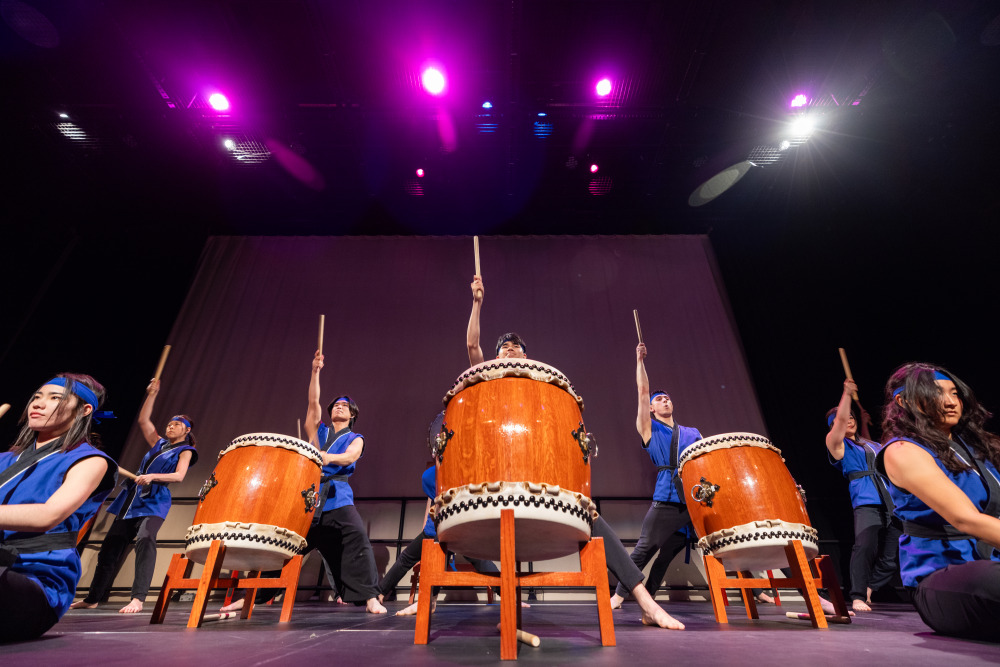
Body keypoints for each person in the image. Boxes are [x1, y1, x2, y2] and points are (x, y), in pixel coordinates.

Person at [466, 274, 684, 629]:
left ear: (526, 356)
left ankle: (646, 603)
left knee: (593, 519)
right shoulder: (487, 378)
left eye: (515, 347)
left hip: (536, 476)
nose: (509, 349)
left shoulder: (541, 391)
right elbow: (472, 345)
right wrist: (477, 302)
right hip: (492, 475)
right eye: (503, 347)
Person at [222, 351, 386, 614]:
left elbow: (350, 457)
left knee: (357, 540)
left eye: (344, 405)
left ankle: (371, 598)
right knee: (285, 549)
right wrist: (315, 371)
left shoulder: (355, 437)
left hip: (337, 497)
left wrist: (327, 457)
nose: (339, 407)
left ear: (353, 414)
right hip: (309, 498)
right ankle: (250, 599)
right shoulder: (319, 432)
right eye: (336, 405)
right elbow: (313, 402)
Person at [875, 363, 1000, 641]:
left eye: (954, 393)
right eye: (936, 393)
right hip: (941, 577)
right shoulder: (903, 450)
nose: (950, 401)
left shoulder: (980, 449)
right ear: (904, 401)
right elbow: (965, 519)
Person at [1, 374, 117, 642]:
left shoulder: (91, 461)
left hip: (35, 579)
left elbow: (48, 515)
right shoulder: (5, 459)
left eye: (55, 398)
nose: (38, 403)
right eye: (37, 396)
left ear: (84, 410)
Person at [72, 378, 197, 614]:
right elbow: (143, 421)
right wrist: (152, 394)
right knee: (109, 549)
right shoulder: (158, 444)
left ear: (187, 430)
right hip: (131, 500)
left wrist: (152, 476)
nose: (170, 427)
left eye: (176, 424)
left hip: (155, 501)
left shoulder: (186, 450)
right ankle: (93, 598)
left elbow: (179, 476)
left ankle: (138, 598)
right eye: (169, 423)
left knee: (145, 540)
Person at [609, 342, 703, 609]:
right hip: (667, 497)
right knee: (644, 549)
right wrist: (639, 361)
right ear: (651, 409)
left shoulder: (693, 432)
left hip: (692, 500)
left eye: (667, 398)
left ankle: (647, 601)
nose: (665, 400)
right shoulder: (649, 428)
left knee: (676, 554)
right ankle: (618, 596)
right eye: (659, 399)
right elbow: (642, 391)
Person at [380, 461, 505, 616]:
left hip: (451, 527)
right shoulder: (437, 474)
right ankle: (383, 593)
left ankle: (424, 600)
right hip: (441, 528)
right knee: (412, 557)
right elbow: (431, 499)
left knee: (436, 555)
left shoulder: (452, 471)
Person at [826, 378, 900, 612]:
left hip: (892, 501)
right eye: (842, 419)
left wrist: (865, 423)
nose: (848, 420)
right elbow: (841, 422)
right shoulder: (837, 445)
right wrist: (847, 394)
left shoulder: (870, 444)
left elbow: (869, 448)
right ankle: (857, 595)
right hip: (867, 501)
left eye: (852, 417)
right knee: (865, 547)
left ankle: (870, 587)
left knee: (892, 556)